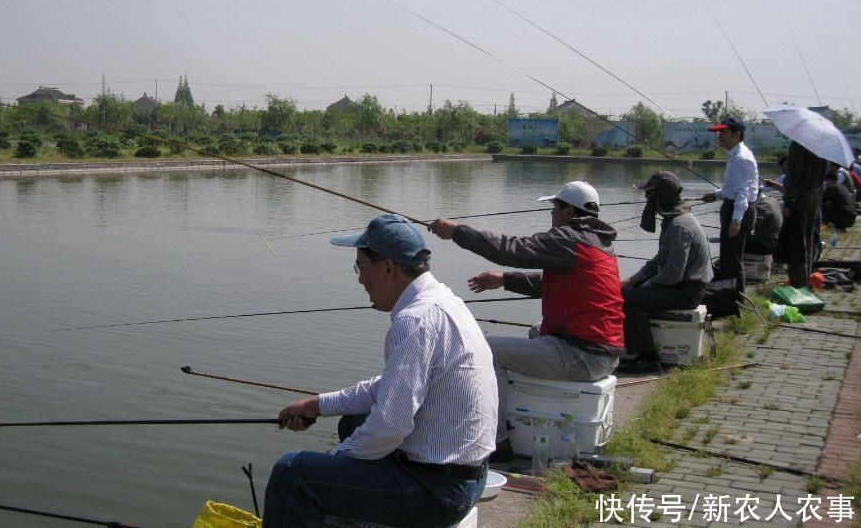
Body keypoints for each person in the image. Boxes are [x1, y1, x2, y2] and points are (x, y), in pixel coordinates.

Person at [264, 214, 499, 528]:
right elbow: (391, 386)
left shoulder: (414, 320)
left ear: (388, 268)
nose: (360, 279)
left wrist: (334, 459)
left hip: (438, 492)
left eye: (361, 267)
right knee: (354, 422)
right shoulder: (443, 301)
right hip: (467, 477)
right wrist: (318, 405)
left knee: (292, 473)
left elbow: (390, 425)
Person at [428, 180, 624, 461]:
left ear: (569, 211)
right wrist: (504, 280)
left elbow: (511, 249)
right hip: (604, 350)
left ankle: (495, 441)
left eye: (555, 208)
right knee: (536, 332)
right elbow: (553, 284)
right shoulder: (599, 243)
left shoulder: (568, 238)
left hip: (583, 355)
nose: (552, 215)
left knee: (481, 350)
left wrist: (457, 232)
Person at [618, 171, 712, 373]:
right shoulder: (673, 221)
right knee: (629, 291)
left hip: (687, 292)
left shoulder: (680, 225)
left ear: (658, 197)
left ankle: (646, 357)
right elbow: (659, 261)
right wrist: (632, 280)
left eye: (648, 194)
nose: (645, 199)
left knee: (629, 300)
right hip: (679, 286)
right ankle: (638, 349)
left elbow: (672, 273)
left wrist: (646, 286)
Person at [701, 117, 759, 296]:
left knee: (732, 260)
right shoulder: (737, 155)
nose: (720, 136)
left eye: (724, 133)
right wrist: (716, 194)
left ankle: (737, 301)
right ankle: (729, 298)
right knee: (728, 258)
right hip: (734, 206)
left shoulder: (740, 159)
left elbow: (742, 193)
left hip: (737, 210)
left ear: (737, 135)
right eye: (719, 133)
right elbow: (733, 188)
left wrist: (735, 221)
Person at [780, 141, 826, 288]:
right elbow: (823, 174)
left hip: (800, 197)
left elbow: (793, 174)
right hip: (814, 196)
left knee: (796, 242)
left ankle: (798, 284)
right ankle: (807, 279)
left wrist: (787, 202)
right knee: (809, 239)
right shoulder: (821, 145)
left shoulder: (798, 143)